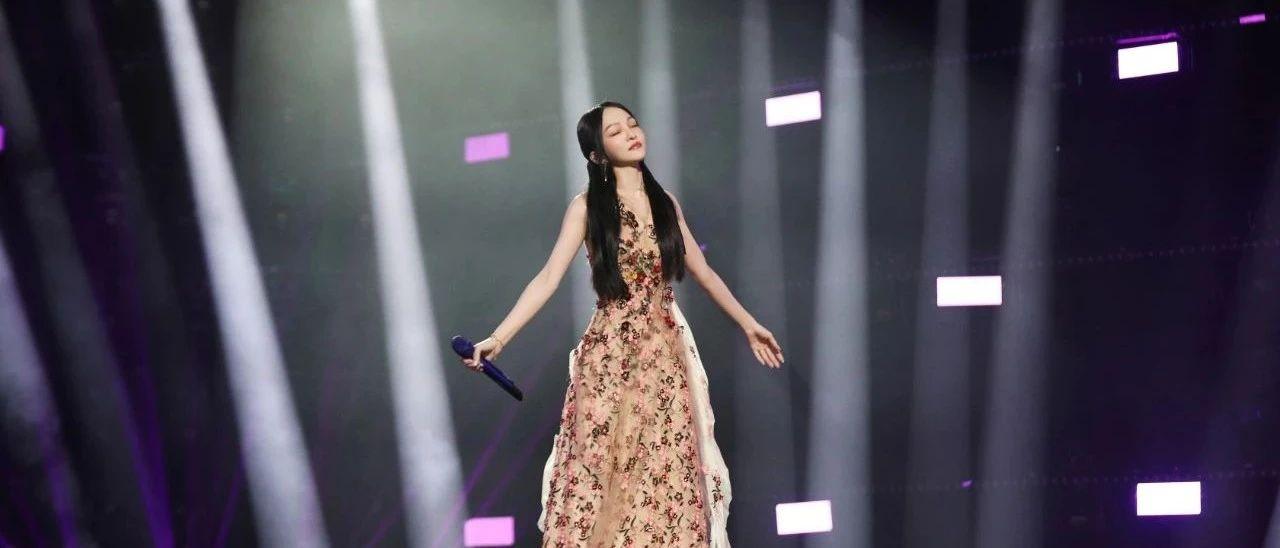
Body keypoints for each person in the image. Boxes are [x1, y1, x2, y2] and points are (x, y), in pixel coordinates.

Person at [459, 101, 784, 547]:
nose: (631, 133)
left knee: (664, 481)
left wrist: (749, 324)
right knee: (604, 477)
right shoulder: (587, 208)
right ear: (596, 153)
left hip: (665, 363)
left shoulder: (665, 204)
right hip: (610, 360)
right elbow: (548, 277)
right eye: (615, 131)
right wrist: (498, 338)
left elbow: (704, 273)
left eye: (632, 124)